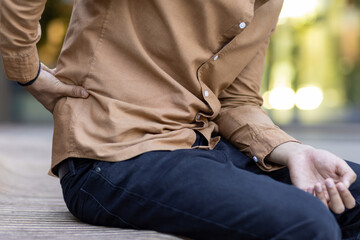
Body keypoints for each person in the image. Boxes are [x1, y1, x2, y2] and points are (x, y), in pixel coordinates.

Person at [1, 0, 360, 239]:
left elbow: (236, 100)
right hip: (115, 154)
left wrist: (294, 151)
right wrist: (24, 68)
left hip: (204, 146)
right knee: (306, 221)